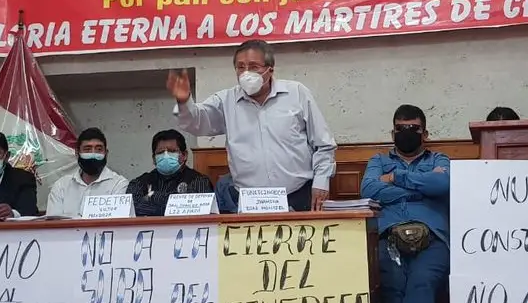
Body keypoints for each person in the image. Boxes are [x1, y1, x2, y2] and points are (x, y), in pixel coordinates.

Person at [168, 39, 336, 212]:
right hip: (250, 202)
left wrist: (322, 182)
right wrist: (184, 100)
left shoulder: (297, 93)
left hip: (299, 195)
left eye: (254, 67)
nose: (246, 73)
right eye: (240, 67)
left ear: (270, 70)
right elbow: (195, 123)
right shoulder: (226, 101)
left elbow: (323, 145)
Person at [360, 104, 449, 303]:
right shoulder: (378, 161)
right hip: (388, 236)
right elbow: (370, 189)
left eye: (413, 129)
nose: (406, 133)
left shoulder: (440, 159)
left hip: (433, 236)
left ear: (425, 134)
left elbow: (443, 186)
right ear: (393, 132)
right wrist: (420, 189)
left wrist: (397, 178)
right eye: (401, 129)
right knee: (392, 286)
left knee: (423, 280)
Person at [126, 129, 214, 217]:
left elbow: (202, 211)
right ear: (154, 159)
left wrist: (153, 197)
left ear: (184, 155)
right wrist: (175, 205)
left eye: (172, 151)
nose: (166, 156)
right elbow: (132, 209)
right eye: (160, 152)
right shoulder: (139, 183)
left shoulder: (199, 181)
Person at [46, 128, 128, 218]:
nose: (93, 154)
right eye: (87, 149)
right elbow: (53, 224)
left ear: (106, 153)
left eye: (99, 149)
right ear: (77, 153)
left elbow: (118, 223)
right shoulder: (61, 186)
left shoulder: (119, 185)